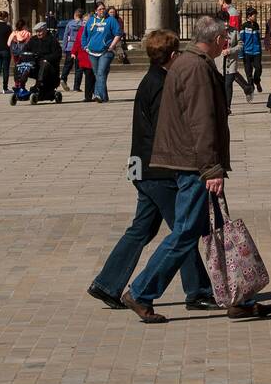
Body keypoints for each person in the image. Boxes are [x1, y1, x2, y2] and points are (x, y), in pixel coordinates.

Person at [121, 16, 271, 324]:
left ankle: (237, 296)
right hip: (194, 166)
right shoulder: (197, 67)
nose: (227, 45)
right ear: (217, 41)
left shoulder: (189, 63)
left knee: (216, 230)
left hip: (191, 163)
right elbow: (201, 121)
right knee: (186, 232)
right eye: (225, 40)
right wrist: (211, 168)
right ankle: (141, 291)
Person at [88, 29, 217, 313]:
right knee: (184, 231)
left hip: (143, 169)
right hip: (159, 172)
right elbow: (169, 131)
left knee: (142, 229)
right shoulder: (162, 84)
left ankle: (107, 284)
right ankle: (197, 290)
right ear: (171, 56)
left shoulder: (152, 79)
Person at [81, 1, 122, 103]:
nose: (102, 11)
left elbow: (118, 33)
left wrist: (112, 45)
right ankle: (104, 97)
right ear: (95, 11)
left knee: (101, 73)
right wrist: (85, 47)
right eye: (99, 9)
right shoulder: (91, 21)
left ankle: (98, 95)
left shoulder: (111, 20)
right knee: (98, 74)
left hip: (106, 51)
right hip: (92, 52)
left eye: (103, 9)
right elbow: (84, 35)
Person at [222, 22, 253, 111]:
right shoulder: (214, 31)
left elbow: (240, 44)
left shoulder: (234, 31)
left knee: (228, 83)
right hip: (219, 61)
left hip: (231, 61)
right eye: (223, 21)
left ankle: (227, 107)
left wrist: (230, 50)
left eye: (227, 20)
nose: (226, 23)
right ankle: (247, 88)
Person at [239, 6, 263, 92]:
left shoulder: (256, 25)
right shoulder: (244, 26)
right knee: (248, 71)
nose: (255, 17)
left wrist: (260, 50)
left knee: (258, 68)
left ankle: (257, 81)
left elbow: (258, 39)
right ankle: (251, 85)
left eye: (256, 15)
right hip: (247, 52)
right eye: (254, 15)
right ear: (249, 16)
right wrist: (241, 53)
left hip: (256, 51)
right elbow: (241, 40)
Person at [60, 8, 85, 91]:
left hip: (70, 46)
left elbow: (65, 36)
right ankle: (76, 87)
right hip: (80, 47)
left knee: (67, 65)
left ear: (75, 15)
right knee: (79, 68)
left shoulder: (70, 24)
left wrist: (64, 47)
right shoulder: (83, 24)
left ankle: (63, 78)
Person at [71, 21, 95, 101]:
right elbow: (77, 42)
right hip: (83, 57)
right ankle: (89, 96)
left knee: (93, 77)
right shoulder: (81, 29)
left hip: (92, 55)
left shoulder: (95, 29)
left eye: (87, 22)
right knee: (89, 77)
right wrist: (73, 52)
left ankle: (95, 94)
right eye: (84, 22)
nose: (85, 24)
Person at [8, 18, 33, 88]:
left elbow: (8, 43)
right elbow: (30, 44)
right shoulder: (28, 33)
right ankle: (22, 84)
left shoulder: (14, 33)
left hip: (15, 53)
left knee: (17, 67)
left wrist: (15, 41)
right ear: (23, 26)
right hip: (24, 53)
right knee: (24, 67)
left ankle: (17, 83)